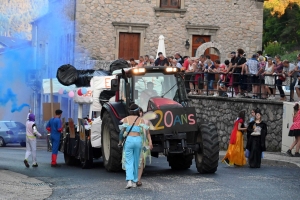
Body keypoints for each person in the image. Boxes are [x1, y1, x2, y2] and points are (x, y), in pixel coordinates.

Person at [118, 104, 149, 189]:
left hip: (129, 140)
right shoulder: (140, 120)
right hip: (138, 140)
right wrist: (144, 143)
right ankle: (135, 181)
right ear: (138, 111)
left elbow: (121, 132)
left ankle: (129, 181)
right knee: (136, 161)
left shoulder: (126, 119)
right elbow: (145, 132)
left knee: (128, 160)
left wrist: (120, 142)